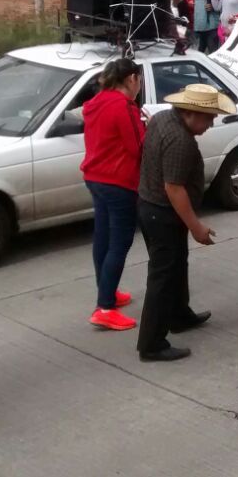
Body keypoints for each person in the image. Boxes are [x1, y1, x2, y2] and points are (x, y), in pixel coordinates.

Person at [135, 84, 229, 361]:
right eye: (208, 118)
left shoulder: (162, 117)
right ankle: (151, 344)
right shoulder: (181, 140)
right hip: (161, 212)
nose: (211, 124)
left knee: (177, 265)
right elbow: (173, 188)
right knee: (163, 277)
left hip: (150, 206)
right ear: (190, 114)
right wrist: (195, 226)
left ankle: (179, 315)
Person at [81, 58, 145, 331]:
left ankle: (106, 292)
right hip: (118, 181)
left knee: (103, 239)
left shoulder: (97, 102)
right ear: (131, 79)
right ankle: (104, 306)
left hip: (95, 177)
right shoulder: (124, 107)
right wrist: (149, 127)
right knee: (119, 243)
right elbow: (137, 148)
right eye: (139, 81)